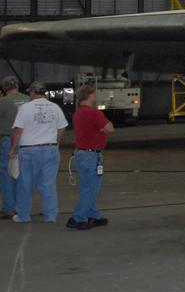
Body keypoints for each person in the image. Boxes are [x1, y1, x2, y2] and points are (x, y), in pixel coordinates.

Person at [10, 81, 69, 223]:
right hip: (50, 148)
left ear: (32, 93)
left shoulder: (25, 108)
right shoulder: (55, 107)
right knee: (48, 184)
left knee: (25, 184)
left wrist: (13, 149)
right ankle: (51, 215)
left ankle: (23, 215)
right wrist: (56, 143)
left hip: (29, 150)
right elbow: (62, 129)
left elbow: (18, 130)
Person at [69, 84, 114, 230]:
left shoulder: (78, 113)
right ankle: (77, 218)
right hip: (92, 155)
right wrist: (102, 129)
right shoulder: (94, 113)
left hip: (80, 154)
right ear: (90, 95)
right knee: (91, 188)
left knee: (86, 187)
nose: (96, 96)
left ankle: (93, 215)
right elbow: (110, 128)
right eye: (94, 94)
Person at [0, 76, 30, 219]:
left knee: (7, 175)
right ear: (17, 85)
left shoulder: (3, 101)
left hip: (9, 139)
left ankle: (8, 207)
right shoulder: (28, 99)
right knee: (22, 174)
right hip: (26, 140)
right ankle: (22, 206)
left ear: (4, 88)